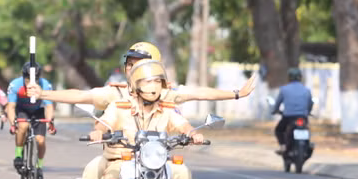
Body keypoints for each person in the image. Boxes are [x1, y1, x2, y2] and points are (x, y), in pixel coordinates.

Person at [27, 41, 257, 110]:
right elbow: (81, 95)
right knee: (96, 175)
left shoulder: (168, 93)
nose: (133, 70)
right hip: (121, 158)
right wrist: (43, 92)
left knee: (180, 175)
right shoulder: (116, 92)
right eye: (130, 64)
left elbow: (200, 93)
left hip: (157, 160)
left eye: (141, 64)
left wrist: (236, 93)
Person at [5, 62, 56, 179]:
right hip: (22, 110)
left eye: (36, 80)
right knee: (22, 126)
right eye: (28, 80)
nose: (31, 83)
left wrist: (50, 122)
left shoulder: (45, 85)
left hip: (38, 111)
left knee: (41, 140)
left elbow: (49, 107)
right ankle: (18, 155)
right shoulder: (15, 85)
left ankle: (39, 166)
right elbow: (11, 107)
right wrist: (13, 124)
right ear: (23, 77)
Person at [271, 67, 313, 153]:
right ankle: (307, 144)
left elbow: (278, 103)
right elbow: (310, 103)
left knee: (279, 130)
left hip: (288, 117)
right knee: (307, 128)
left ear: (289, 77)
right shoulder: (306, 90)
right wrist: (308, 111)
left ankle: (283, 146)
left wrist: (275, 110)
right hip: (302, 116)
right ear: (300, 77)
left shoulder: (284, 89)